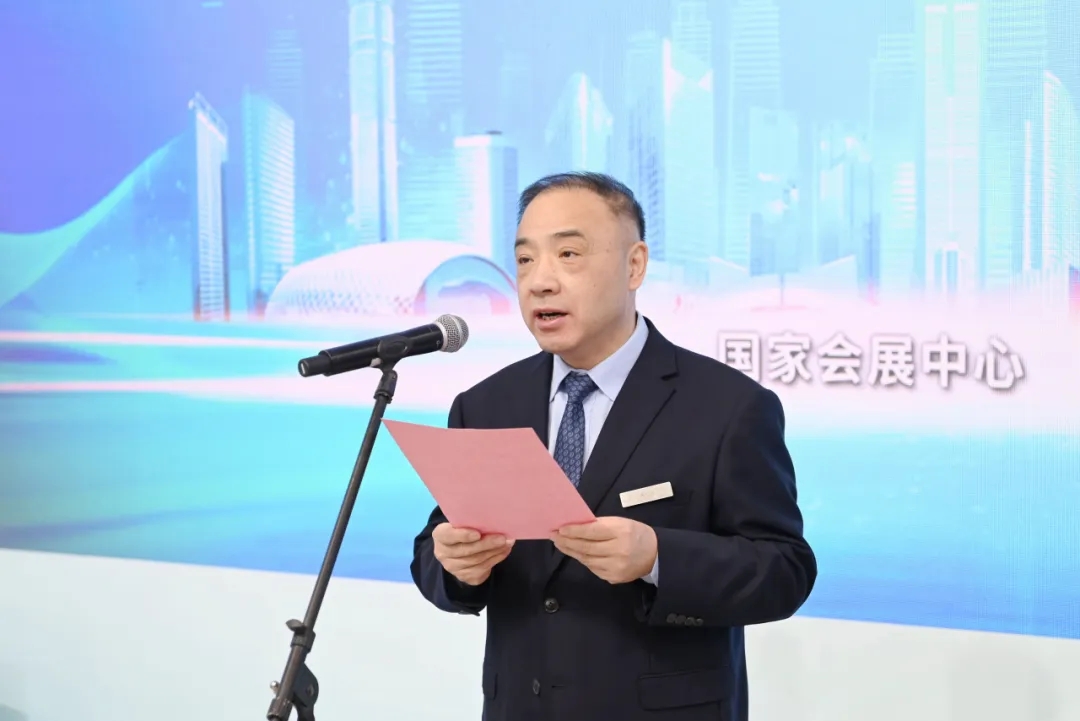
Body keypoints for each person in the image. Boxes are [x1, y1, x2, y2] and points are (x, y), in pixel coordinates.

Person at [410, 172, 816, 721]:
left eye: (568, 254)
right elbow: (436, 554)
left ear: (634, 266)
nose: (539, 282)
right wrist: (456, 564)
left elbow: (786, 570)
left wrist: (657, 557)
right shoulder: (485, 406)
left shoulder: (728, 407)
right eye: (525, 260)